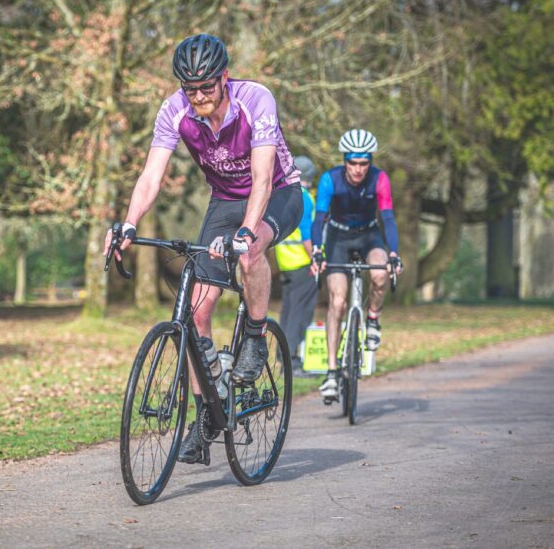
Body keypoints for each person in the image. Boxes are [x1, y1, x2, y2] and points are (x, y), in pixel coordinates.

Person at [103, 33, 303, 463]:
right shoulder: (174, 111)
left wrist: (247, 233)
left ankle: (254, 334)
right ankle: (208, 412)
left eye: (206, 87)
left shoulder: (256, 100)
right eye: (189, 88)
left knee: (250, 252)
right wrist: (128, 223)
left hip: (278, 194)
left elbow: (264, 178)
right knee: (195, 312)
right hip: (224, 201)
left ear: (224, 78)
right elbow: (151, 176)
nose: (198, 97)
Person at [310, 129, 403, 400]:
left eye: (364, 163)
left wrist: (394, 253)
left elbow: (387, 218)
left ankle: (373, 318)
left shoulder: (379, 179)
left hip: (368, 234)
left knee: (380, 273)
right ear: (345, 160)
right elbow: (319, 220)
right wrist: (318, 249)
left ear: (370, 162)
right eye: (353, 162)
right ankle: (331, 371)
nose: (359, 169)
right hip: (338, 237)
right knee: (337, 301)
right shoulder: (330, 179)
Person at [274, 155, 318, 377]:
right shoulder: (306, 198)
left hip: (286, 263)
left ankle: (283, 356)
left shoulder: (283, 197)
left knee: (289, 311)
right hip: (302, 262)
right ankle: (292, 361)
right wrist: (316, 260)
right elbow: (307, 236)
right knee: (301, 313)